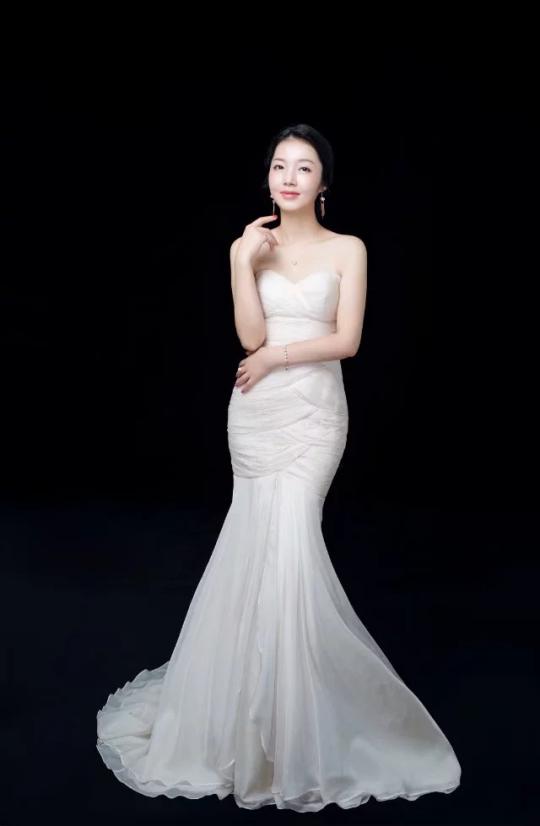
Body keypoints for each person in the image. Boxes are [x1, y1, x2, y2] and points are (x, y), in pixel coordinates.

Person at [96, 123, 461, 813]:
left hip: (313, 414)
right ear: (268, 178)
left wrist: (275, 359)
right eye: (279, 166)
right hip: (255, 416)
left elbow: (347, 340)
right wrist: (242, 261)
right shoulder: (250, 247)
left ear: (324, 184)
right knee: (252, 550)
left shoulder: (348, 248)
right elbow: (249, 335)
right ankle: (244, 727)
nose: (289, 177)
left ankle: (296, 732)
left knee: (292, 551)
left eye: (304, 168)